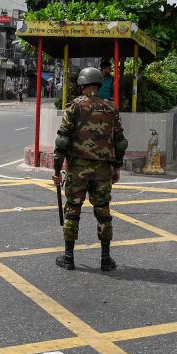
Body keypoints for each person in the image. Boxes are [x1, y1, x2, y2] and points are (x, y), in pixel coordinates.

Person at [52, 67, 127, 272]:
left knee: (72, 211)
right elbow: (120, 143)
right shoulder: (111, 108)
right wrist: (117, 167)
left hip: (78, 169)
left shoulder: (74, 108)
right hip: (103, 171)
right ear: (98, 84)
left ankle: (68, 257)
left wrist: (57, 171)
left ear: (82, 85)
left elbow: (62, 141)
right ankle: (105, 258)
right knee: (103, 212)